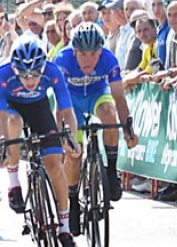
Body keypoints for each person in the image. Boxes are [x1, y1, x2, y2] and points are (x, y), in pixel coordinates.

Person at [0, 36, 81, 247]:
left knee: (55, 166)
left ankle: (64, 229)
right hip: (12, 109)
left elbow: (67, 110)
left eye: (35, 73)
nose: (30, 80)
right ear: (15, 69)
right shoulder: (2, 75)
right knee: (13, 123)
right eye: (24, 74)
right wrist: (3, 143)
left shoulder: (52, 71)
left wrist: (71, 137)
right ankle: (14, 183)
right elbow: (0, 118)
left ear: (43, 67)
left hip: (39, 108)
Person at [54, 23, 138, 235]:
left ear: (101, 51)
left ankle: (111, 171)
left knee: (109, 114)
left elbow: (119, 97)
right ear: (74, 51)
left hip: (97, 94)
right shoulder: (62, 60)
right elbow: (60, 106)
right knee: (74, 153)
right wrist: (62, 135)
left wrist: (127, 128)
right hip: (71, 101)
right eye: (83, 54)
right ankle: (73, 201)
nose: (89, 60)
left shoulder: (109, 59)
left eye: (94, 54)